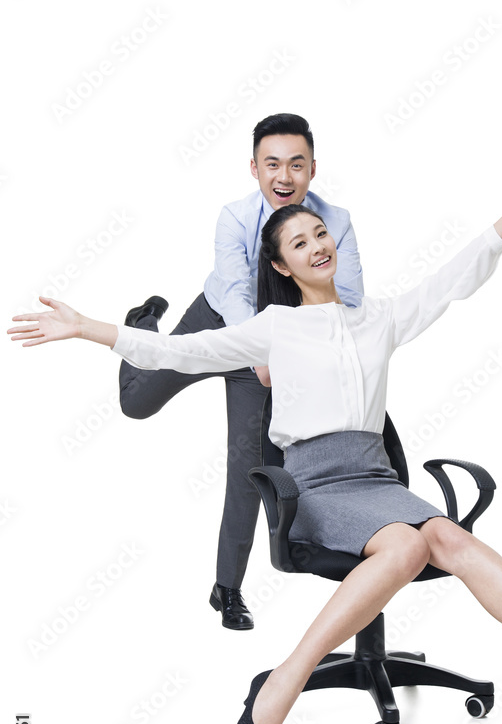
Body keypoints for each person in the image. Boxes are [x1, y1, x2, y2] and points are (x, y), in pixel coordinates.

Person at [8, 160, 502, 724]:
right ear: (282, 266)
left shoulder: (379, 318)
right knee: (405, 549)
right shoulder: (274, 328)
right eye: (300, 241)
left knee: (447, 535)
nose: (317, 245)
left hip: (377, 482)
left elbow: (456, 278)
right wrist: (87, 327)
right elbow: (178, 351)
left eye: (321, 233)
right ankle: (282, 685)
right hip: (314, 487)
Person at [118, 113, 364, 630]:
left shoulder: (334, 221)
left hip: (274, 350)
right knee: (136, 405)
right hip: (220, 324)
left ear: (313, 169)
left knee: (248, 468)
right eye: (272, 164)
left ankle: (225, 588)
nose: (284, 177)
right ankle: (142, 330)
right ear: (253, 168)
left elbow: (352, 297)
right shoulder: (233, 217)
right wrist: (258, 349)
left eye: (296, 165)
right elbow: (233, 293)